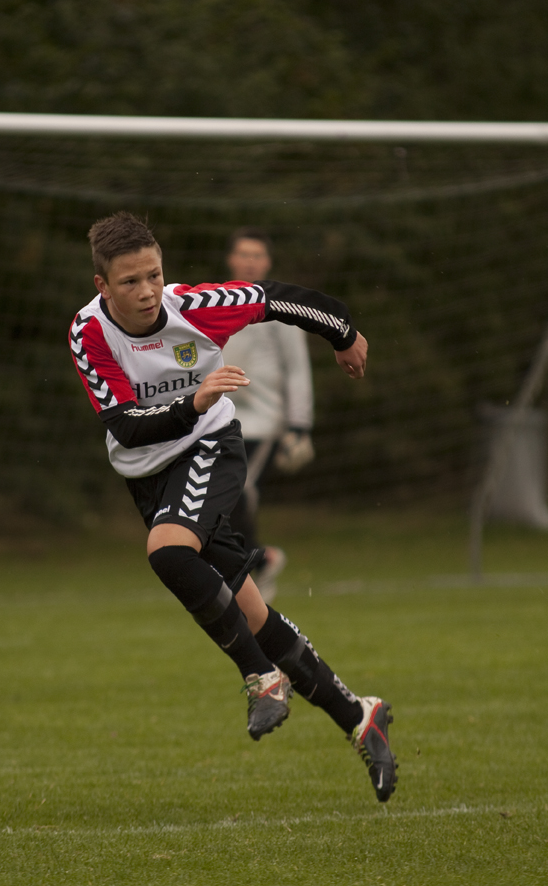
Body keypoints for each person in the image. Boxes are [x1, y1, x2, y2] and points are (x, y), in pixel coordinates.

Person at [69, 211, 397, 802]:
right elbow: (126, 425)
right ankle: (358, 715)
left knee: (168, 552)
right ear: (102, 285)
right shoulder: (88, 332)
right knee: (253, 615)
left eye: (153, 275)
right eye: (129, 282)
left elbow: (281, 299)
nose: (146, 292)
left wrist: (344, 335)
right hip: (149, 475)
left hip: (210, 448)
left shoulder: (195, 307)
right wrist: (192, 400)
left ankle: (260, 678)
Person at [223, 228, 315, 603]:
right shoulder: (217, 301)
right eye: (243, 254)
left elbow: (297, 368)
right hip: (223, 414)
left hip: (262, 419)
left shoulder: (279, 306)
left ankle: (257, 562)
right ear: (231, 259)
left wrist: (299, 425)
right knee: (224, 491)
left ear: (268, 262)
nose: (250, 262)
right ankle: (256, 563)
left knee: (235, 487)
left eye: (257, 255)